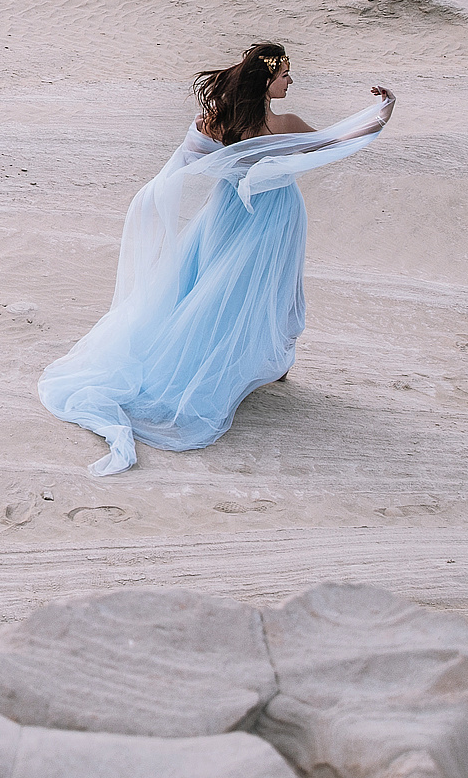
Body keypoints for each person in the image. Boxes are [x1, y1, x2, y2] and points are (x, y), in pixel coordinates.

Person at [38, 42, 393, 473]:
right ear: (265, 81)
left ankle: (246, 361)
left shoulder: (215, 123)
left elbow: (187, 165)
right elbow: (335, 143)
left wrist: (154, 201)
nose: (290, 81)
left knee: (215, 284)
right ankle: (260, 366)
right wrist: (379, 116)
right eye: (285, 74)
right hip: (274, 216)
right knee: (263, 287)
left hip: (229, 213)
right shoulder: (286, 125)